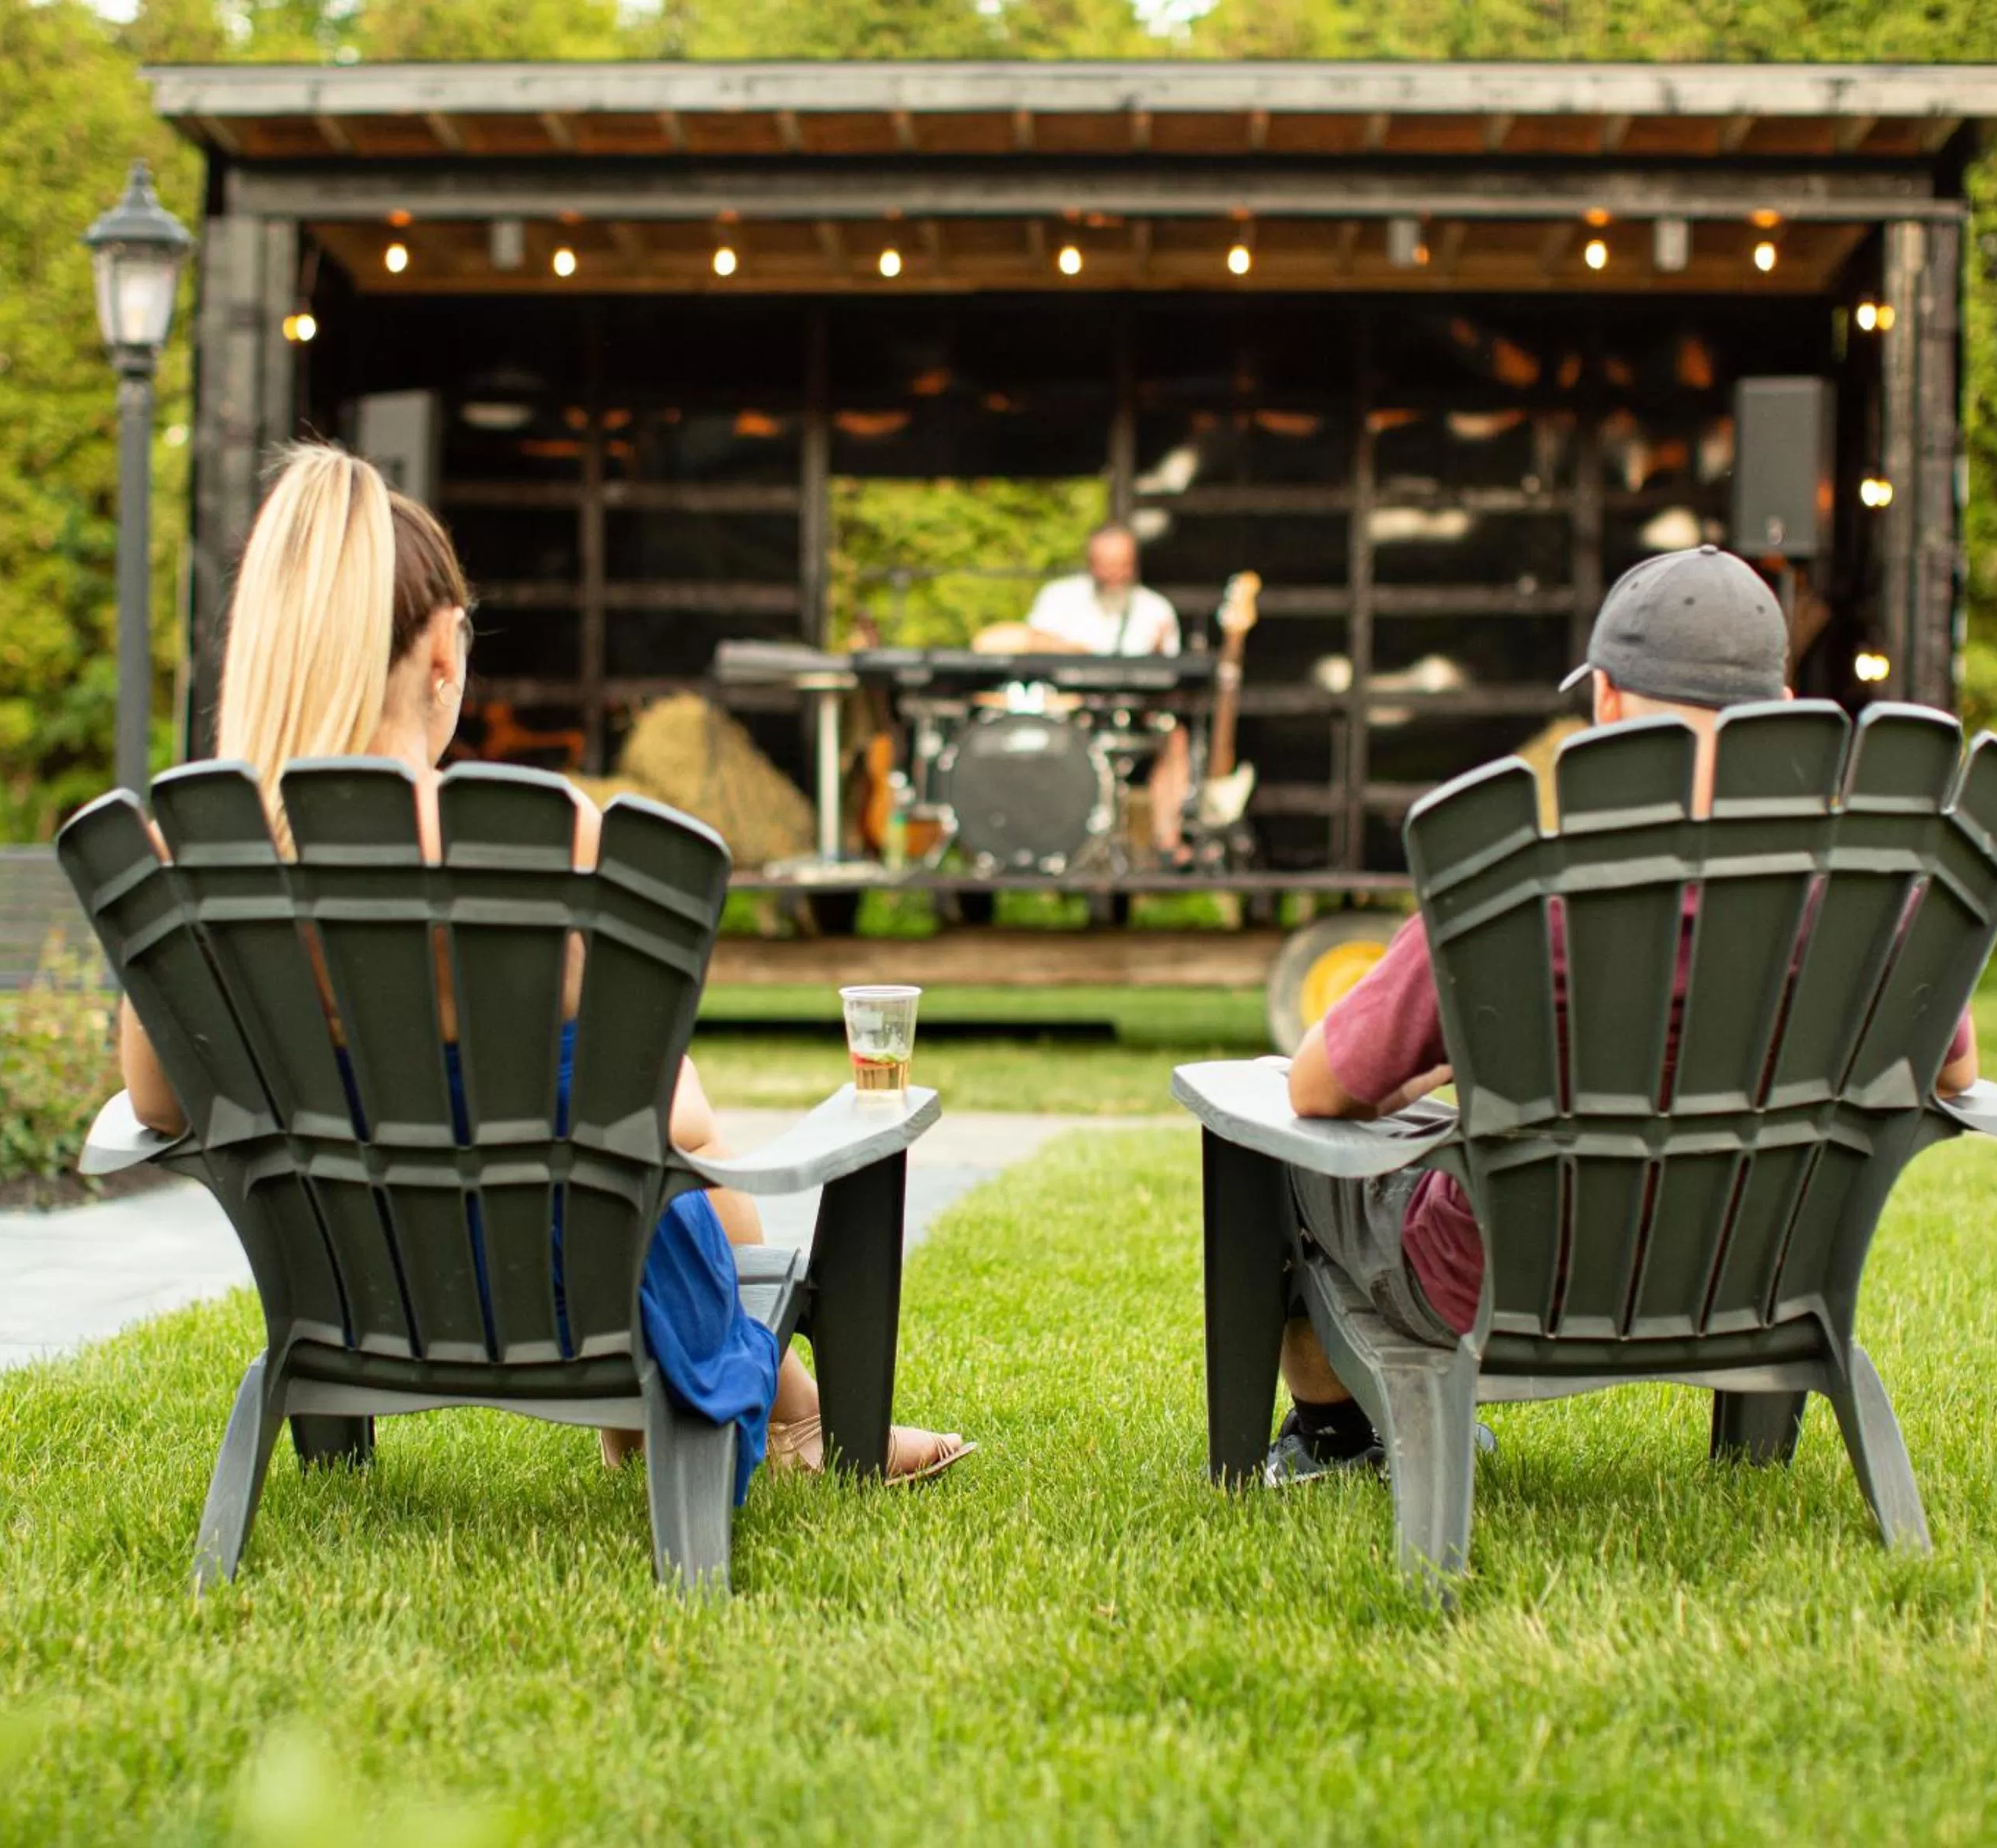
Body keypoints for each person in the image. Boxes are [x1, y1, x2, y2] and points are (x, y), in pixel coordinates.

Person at [117, 443, 971, 1496]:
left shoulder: (190, 861)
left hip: (352, 1290)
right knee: (684, 1171)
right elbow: (677, 1121)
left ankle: (795, 1414)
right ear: (442, 652)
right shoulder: (530, 839)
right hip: (580, 1300)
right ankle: (794, 1415)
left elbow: (155, 1107)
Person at [1270, 544, 1980, 1486]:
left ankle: (1328, 1438)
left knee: (1272, 1152)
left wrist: (1436, 1070)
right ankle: (1755, 1444)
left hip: (1500, 1286)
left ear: (1605, 700)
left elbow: (1319, 1088)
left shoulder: (1513, 888)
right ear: (1774, 708)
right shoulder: (1866, 898)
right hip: (1760, 1271)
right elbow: (1956, 1073)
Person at [978, 522, 1193, 864]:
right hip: (1063, 715)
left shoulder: (1155, 610)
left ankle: (1166, 843)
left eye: (1122, 565)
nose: (1114, 574)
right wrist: (1075, 651)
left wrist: (1155, 664)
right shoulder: (1059, 597)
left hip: (1128, 718)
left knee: (1175, 737)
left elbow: (1170, 682)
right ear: (1091, 562)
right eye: (1107, 564)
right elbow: (1023, 642)